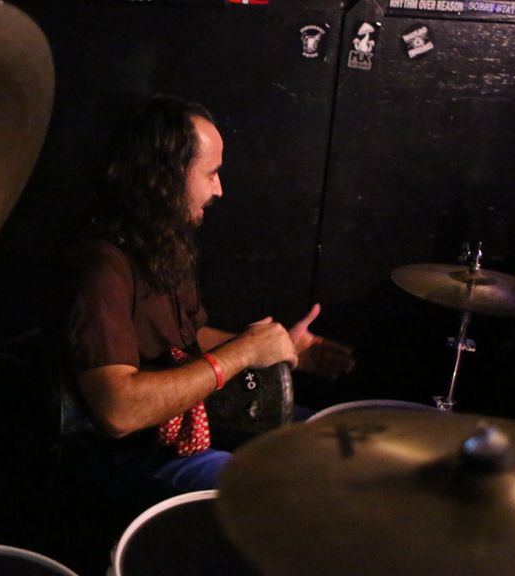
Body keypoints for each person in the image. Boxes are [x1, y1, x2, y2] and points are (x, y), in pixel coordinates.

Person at [62, 94, 353, 513]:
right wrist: (242, 353)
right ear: (164, 178)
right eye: (211, 174)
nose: (219, 189)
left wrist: (278, 349)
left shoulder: (162, 242)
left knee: (332, 445)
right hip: (124, 452)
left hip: (180, 422)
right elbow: (118, 411)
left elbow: (190, 337)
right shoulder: (101, 264)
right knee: (277, 490)